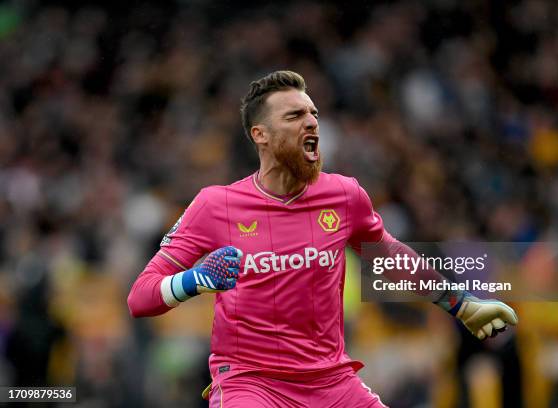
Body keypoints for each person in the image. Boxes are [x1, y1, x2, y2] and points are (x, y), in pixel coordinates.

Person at [127, 70, 518, 407]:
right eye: (295, 115)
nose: (311, 122)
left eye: (313, 114)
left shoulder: (345, 196)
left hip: (331, 382)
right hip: (252, 383)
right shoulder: (215, 205)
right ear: (260, 134)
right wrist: (195, 281)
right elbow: (140, 298)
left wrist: (462, 306)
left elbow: (391, 259)